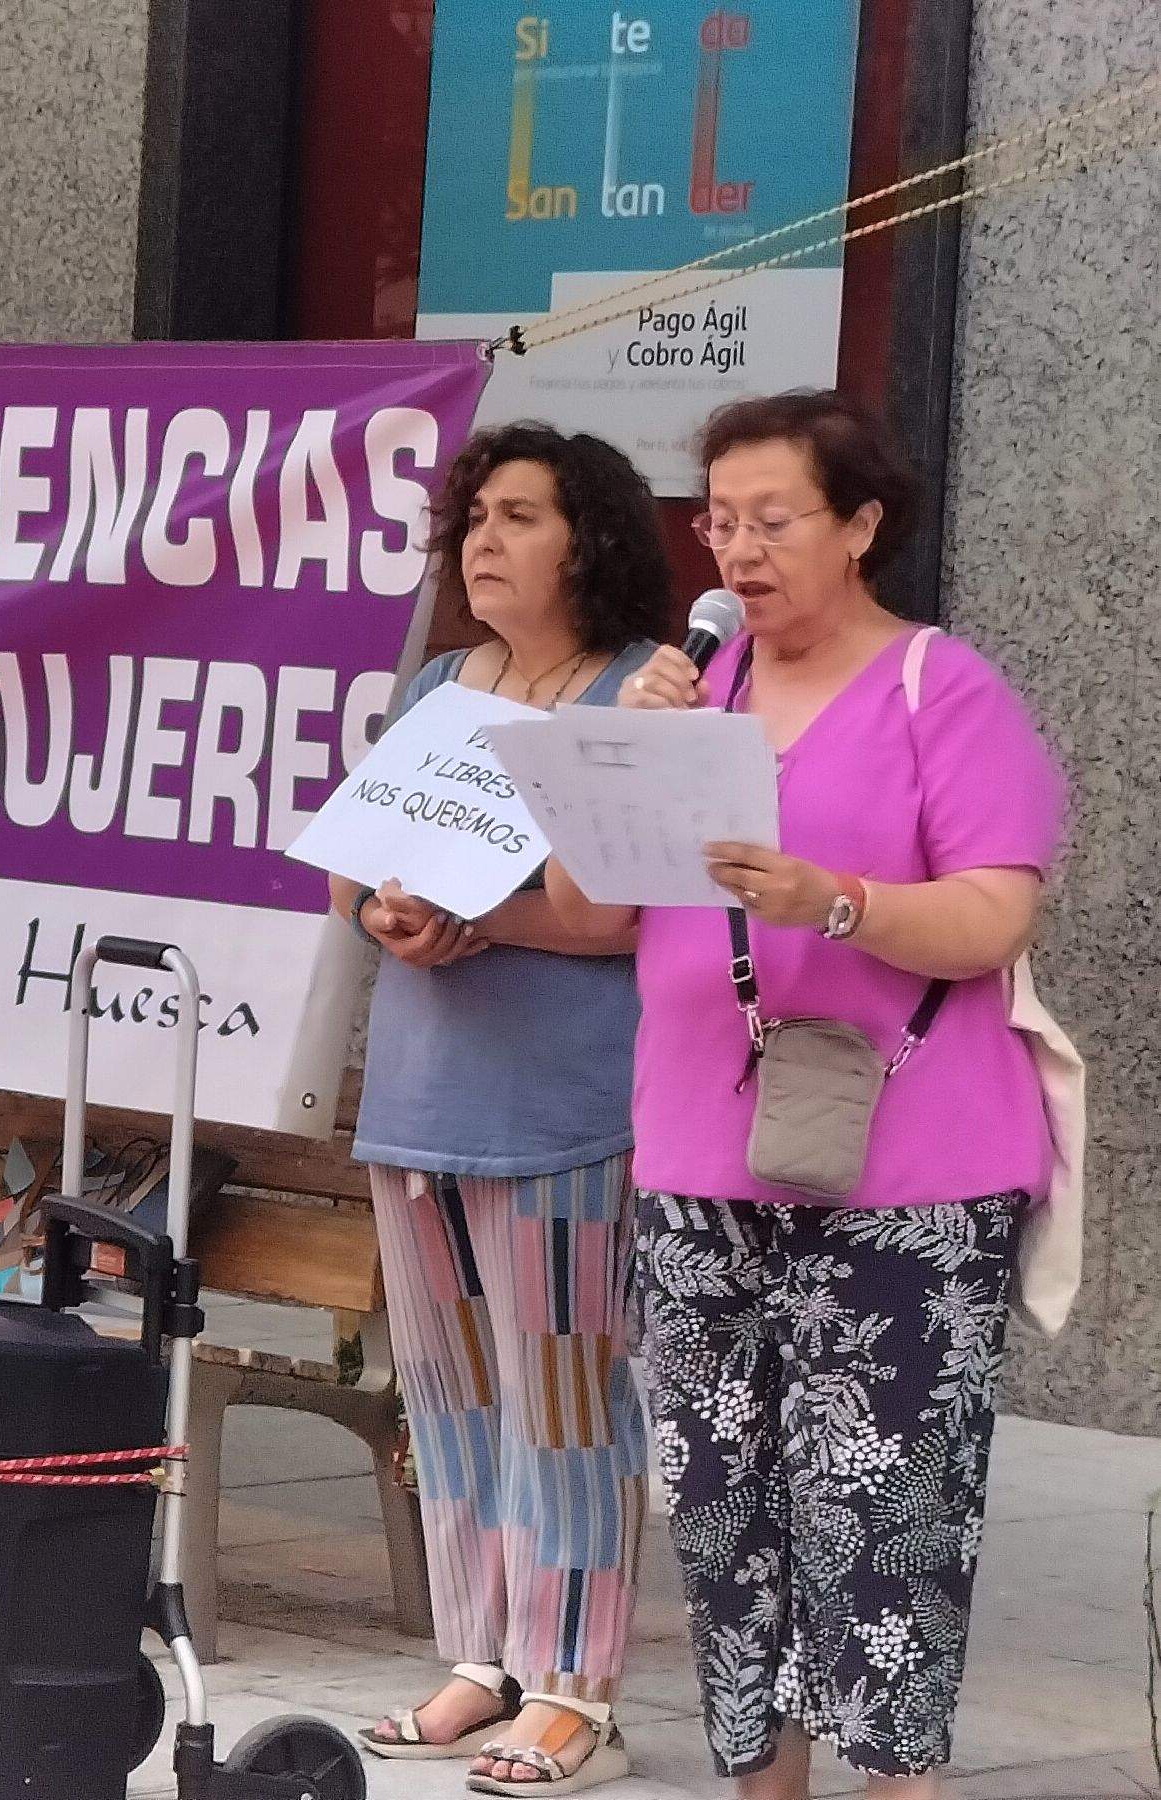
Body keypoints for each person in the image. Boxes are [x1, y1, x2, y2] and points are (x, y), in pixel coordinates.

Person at [561, 391, 1064, 1799]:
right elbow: (595, 908)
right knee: (721, 1509)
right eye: (717, 521)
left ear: (858, 524)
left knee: (879, 1513)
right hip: (696, 1158)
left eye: (772, 519)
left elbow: (986, 918)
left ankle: (892, 1784)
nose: (737, 552)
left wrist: (831, 903)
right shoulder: (691, 688)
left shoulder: (937, 689)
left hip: (906, 1173)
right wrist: (622, 750)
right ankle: (759, 1784)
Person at [336, 425, 675, 1794]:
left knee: (567, 1399)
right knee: (447, 1396)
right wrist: (388, 909)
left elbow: (612, 917)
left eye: (518, 515)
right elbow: (362, 878)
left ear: (586, 540)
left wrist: (476, 908)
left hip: (564, 1106)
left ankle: (573, 1687)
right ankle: (480, 1655)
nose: (481, 540)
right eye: (472, 516)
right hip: (419, 1098)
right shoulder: (433, 686)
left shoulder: (631, 694)